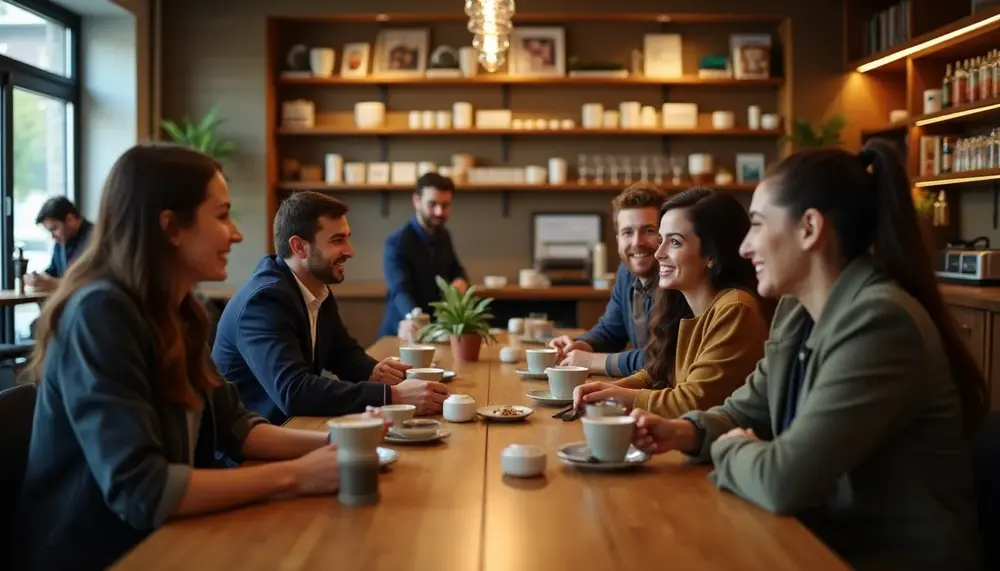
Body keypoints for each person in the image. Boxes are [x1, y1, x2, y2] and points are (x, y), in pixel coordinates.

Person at [628, 140, 986, 570]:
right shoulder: (797, 313)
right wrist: (683, 432)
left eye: (758, 225)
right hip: (817, 542)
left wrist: (729, 449)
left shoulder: (879, 322)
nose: (744, 248)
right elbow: (747, 408)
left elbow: (784, 479)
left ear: (810, 228)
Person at [14, 145, 359, 571]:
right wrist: (299, 475)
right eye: (221, 215)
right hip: (103, 553)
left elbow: (238, 427)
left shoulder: (182, 310)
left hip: (169, 535)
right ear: (171, 227)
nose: (236, 233)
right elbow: (144, 490)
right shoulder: (101, 314)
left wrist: (340, 443)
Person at [213, 191, 448, 425]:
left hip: (296, 430)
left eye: (347, 238)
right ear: (299, 247)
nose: (350, 251)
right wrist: (392, 396)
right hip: (252, 452)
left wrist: (375, 371)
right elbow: (295, 392)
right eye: (337, 240)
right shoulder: (265, 300)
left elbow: (342, 353)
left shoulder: (316, 287)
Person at [572, 189, 769, 417]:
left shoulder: (736, 308)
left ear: (711, 255)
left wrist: (616, 396)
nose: (658, 253)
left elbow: (692, 402)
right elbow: (658, 371)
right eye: (661, 239)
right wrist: (609, 389)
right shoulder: (681, 302)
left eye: (674, 242)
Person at [549, 183, 665, 377]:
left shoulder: (678, 279)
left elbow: (664, 357)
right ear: (618, 238)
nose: (637, 242)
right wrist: (582, 344)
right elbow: (611, 329)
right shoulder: (626, 272)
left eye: (649, 230)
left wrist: (592, 361)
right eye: (628, 232)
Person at [379, 172, 469, 340]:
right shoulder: (396, 241)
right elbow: (399, 290)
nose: (439, 211)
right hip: (402, 331)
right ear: (416, 201)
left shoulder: (444, 236)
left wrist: (460, 280)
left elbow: (456, 269)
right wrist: (413, 317)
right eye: (432, 204)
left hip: (436, 331)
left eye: (445, 205)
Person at [23, 196, 93, 292]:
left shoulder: (97, 238)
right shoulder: (61, 241)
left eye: (54, 229)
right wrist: (38, 279)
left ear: (70, 219)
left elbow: (92, 282)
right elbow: (53, 271)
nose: (52, 237)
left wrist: (55, 284)